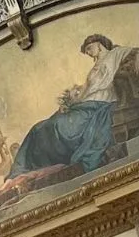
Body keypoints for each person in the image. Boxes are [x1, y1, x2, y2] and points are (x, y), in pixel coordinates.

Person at [8, 33, 138, 178]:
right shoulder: (95, 67)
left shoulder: (117, 53)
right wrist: (70, 103)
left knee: (56, 126)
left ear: (98, 44)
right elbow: (86, 90)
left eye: (89, 48)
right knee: (40, 127)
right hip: (85, 105)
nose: (89, 53)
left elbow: (136, 54)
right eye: (87, 51)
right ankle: (24, 168)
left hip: (100, 104)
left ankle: (42, 161)